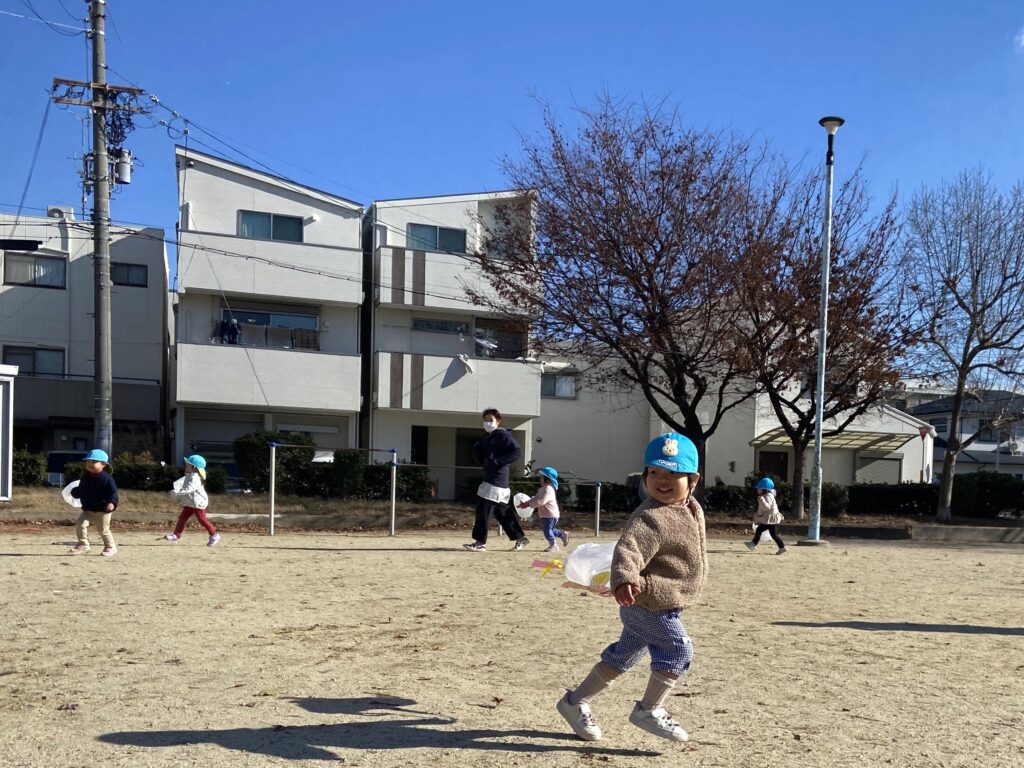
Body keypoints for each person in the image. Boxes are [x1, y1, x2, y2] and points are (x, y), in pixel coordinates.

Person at [556, 432, 707, 743]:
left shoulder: (690, 508)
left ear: (693, 479)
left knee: (622, 657)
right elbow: (629, 548)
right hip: (646, 600)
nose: (662, 481)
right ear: (645, 476)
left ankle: (574, 702)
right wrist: (625, 578)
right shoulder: (650, 517)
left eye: (673, 473)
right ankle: (649, 709)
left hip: (664, 598)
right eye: (655, 473)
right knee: (678, 649)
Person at [463, 408, 529, 552]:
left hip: (496, 480)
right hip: (494, 478)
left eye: (490, 420)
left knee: (484, 510)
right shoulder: (489, 437)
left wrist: (497, 462)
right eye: (485, 420)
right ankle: (521, 538)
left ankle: (480, 542)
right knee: (502, 512)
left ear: (498, 421)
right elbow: (483, 458)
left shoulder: (503, 435)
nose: (487, 422)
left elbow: (516, 452)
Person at [67, 449, 119, 557]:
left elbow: (113, 492)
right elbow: (82, 490)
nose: (90, 464)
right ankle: (83, 544)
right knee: (80, 525)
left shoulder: (107, 479)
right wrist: (75, 492)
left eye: (94, 462)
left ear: (103, 464)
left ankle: (110, 547)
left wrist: (111, 502)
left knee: (103, 530)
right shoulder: (85, 477)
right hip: (88, 509)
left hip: (103, 510)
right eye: (88, 462)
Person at [164, 455, 220, 546]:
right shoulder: (189, 475)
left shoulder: (195, 477)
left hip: (198, 503)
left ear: (194, 468)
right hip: (190, 503)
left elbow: (190, 488)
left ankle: (214, 535)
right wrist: (176, 492)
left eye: (188, 465)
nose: (185, 467)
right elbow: (181, 485)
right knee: (182, 518)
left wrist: (177, 493)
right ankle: (176, 535)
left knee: (203, 520)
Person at [518, 466, 569, 553]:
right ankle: (562, 534)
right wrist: (526, 503)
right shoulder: (543, 489)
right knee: (550, 529)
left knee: (547, 530)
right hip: (546, 514)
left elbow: (541, 501)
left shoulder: (548, 489)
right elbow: (536, 498)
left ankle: (553, 545)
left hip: (550, 515)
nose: (540, 478)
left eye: (542, 477)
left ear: (548, 479)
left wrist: (529, 504)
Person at [746, 477, 786, 554]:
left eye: (759, 489)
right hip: (768, 519)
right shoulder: (763, 497)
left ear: (764, 489)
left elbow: (767, 507)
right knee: (760, 530)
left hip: (772, 519)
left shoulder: (768, 496)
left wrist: (762, 500)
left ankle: (782, 547)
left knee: (773, 535)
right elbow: (760, 508)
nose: (757, 490)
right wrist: (757, 516)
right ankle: (753, 544)